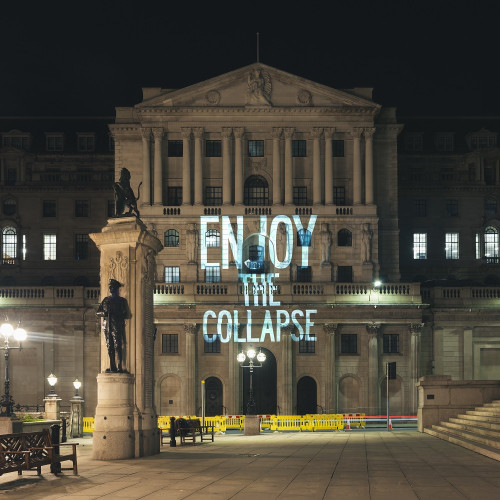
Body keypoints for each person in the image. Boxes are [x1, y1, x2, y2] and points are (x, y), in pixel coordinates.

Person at [96, 279, 130, 373]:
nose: (110, 288)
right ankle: (112, 366)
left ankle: (119, 366)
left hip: (117, 325)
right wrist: (105, 312)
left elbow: (126, 314)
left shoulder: (122, 301)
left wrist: (117, 313)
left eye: (112, 287)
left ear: (117, 289)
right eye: (110, 287)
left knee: (118, 346)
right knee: (109, 346)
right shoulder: (106, 300)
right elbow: (98, 312)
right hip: (107, 326)